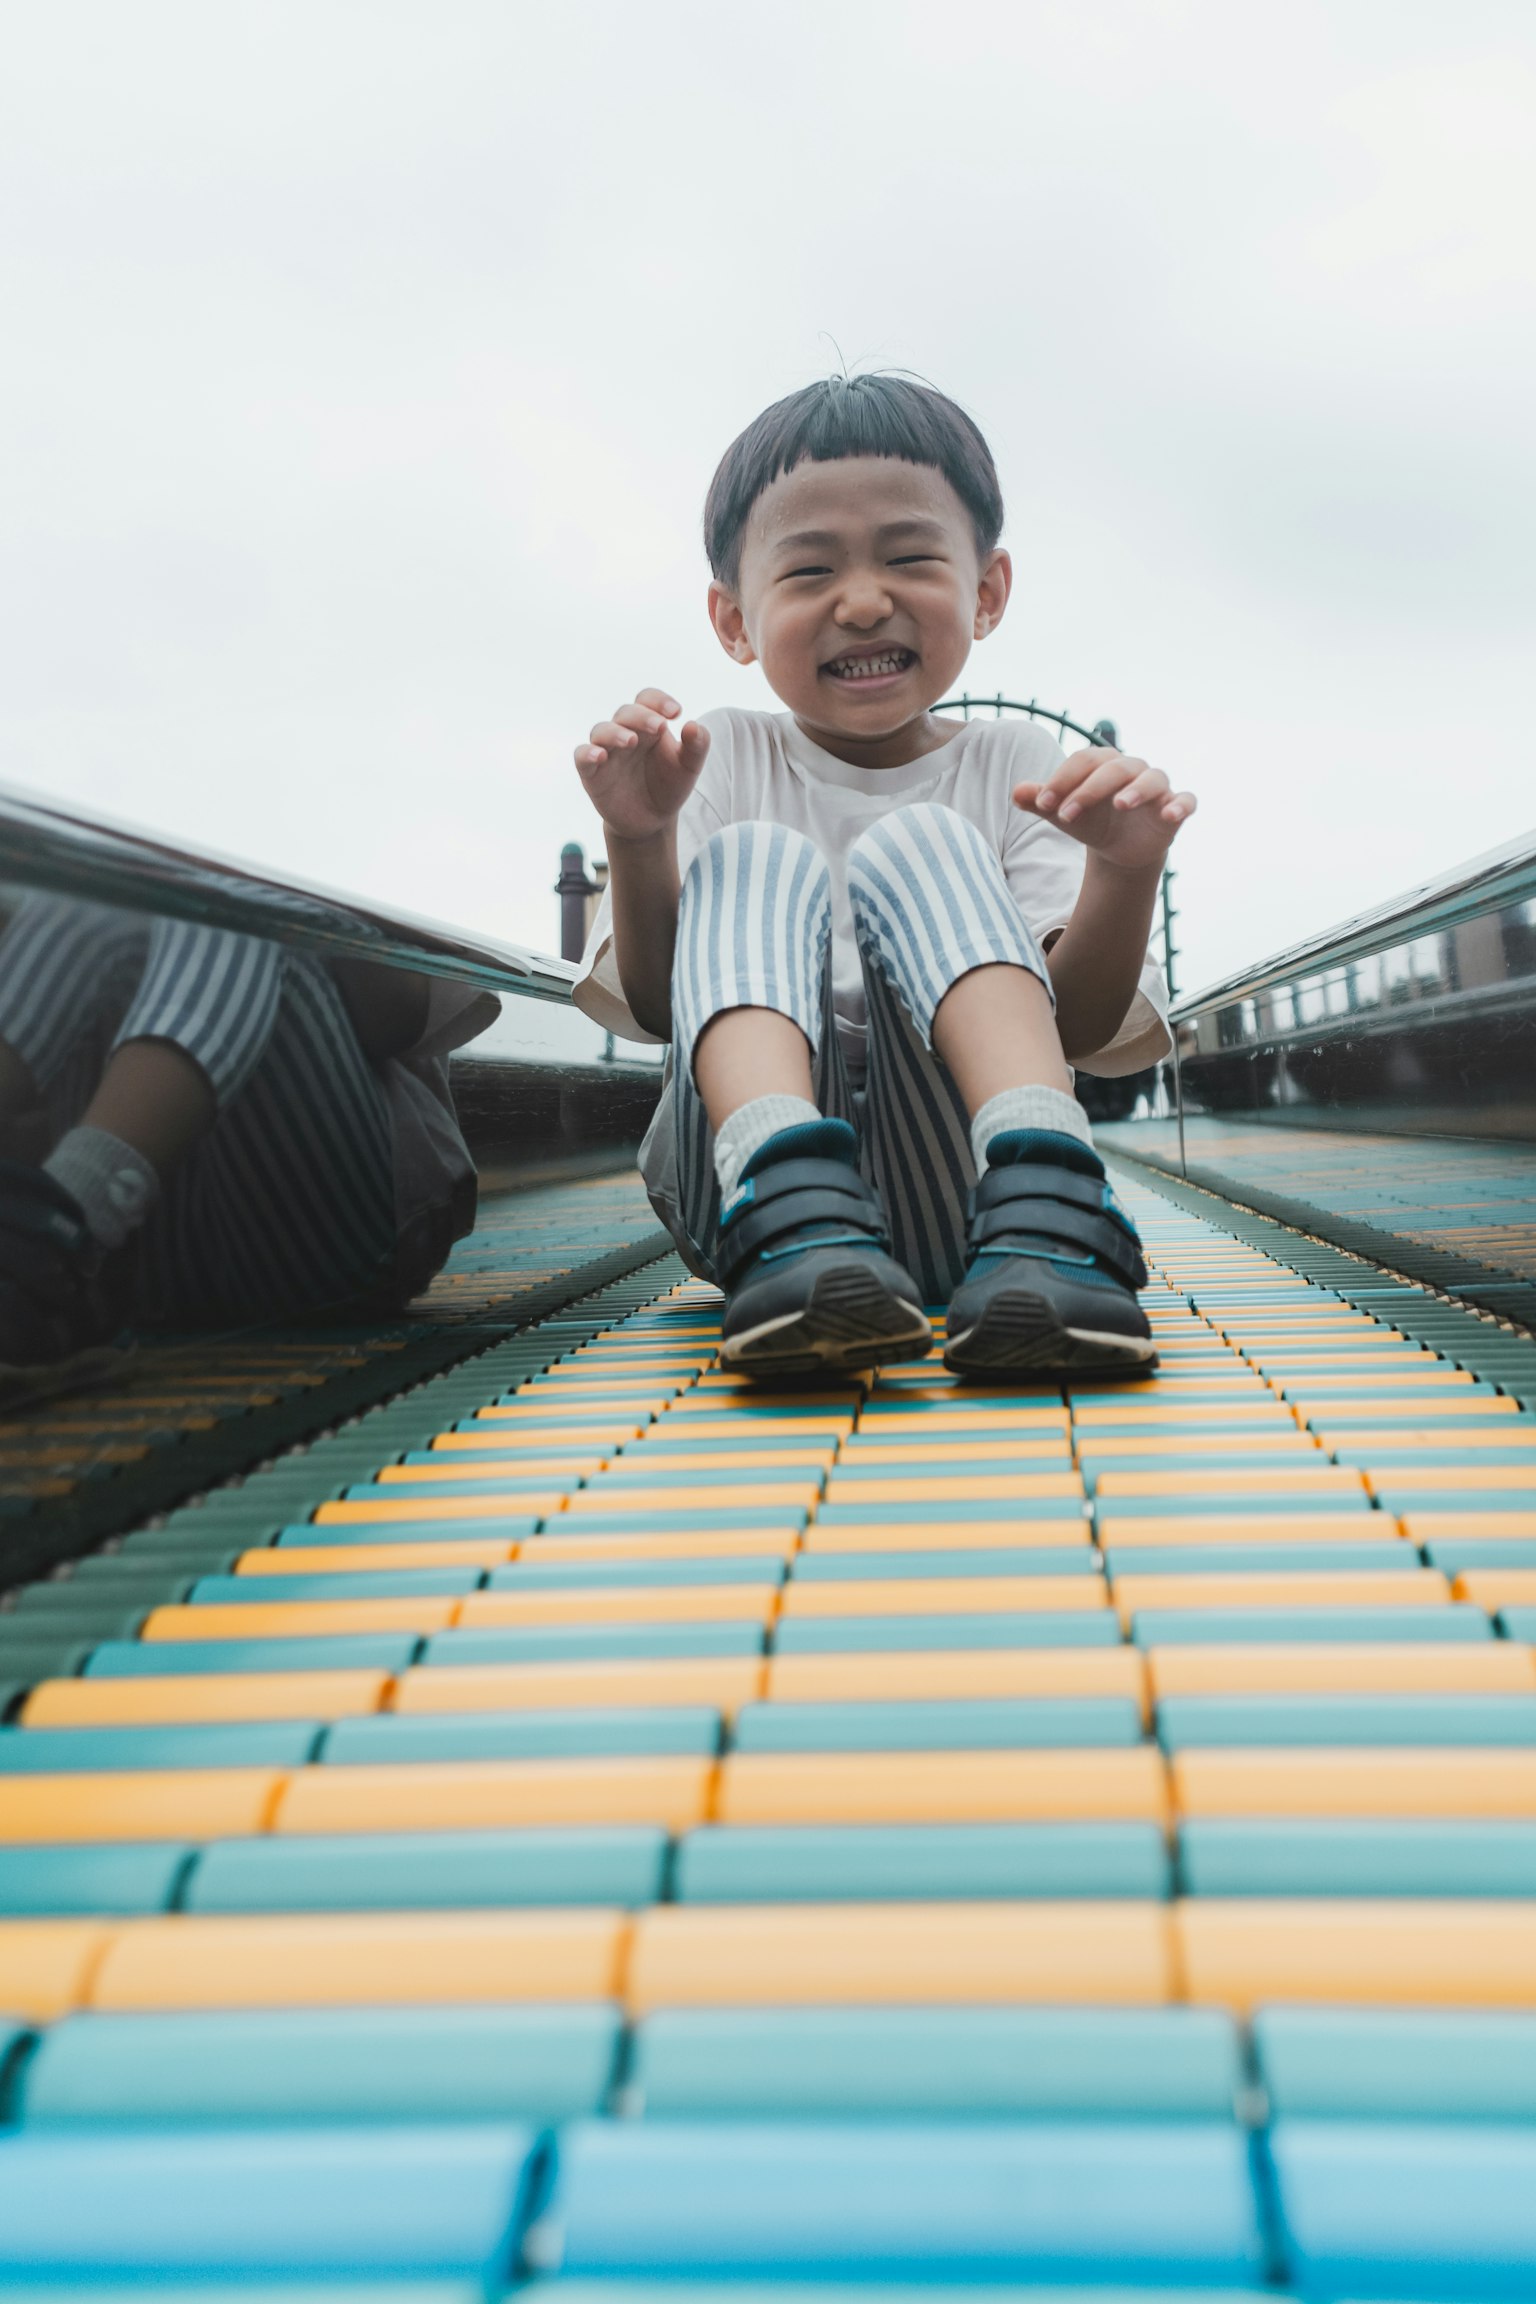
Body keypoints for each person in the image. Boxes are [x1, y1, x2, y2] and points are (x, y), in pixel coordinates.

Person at [571, 373, 1195, 1380]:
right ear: (734, 619)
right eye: (810, 572)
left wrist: (1123, 874)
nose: (864, 603)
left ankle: (1049, 1206)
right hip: (743, 1199)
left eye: (909, 558)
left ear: (985, 591)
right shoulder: (719, 757)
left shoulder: (1015, 764)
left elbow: (1080, 1029)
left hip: (973, 1197)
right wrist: (639, 839)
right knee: (749, 858)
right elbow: (651, 1006)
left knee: (924, 841)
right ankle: (795, 1202)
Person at [0, 890, 496, 1397]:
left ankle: (55, 1238)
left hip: (322, 1238)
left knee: (230, 895)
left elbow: (394, 1016)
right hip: (141, 1264)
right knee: (87, 896)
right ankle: (33, 1255)